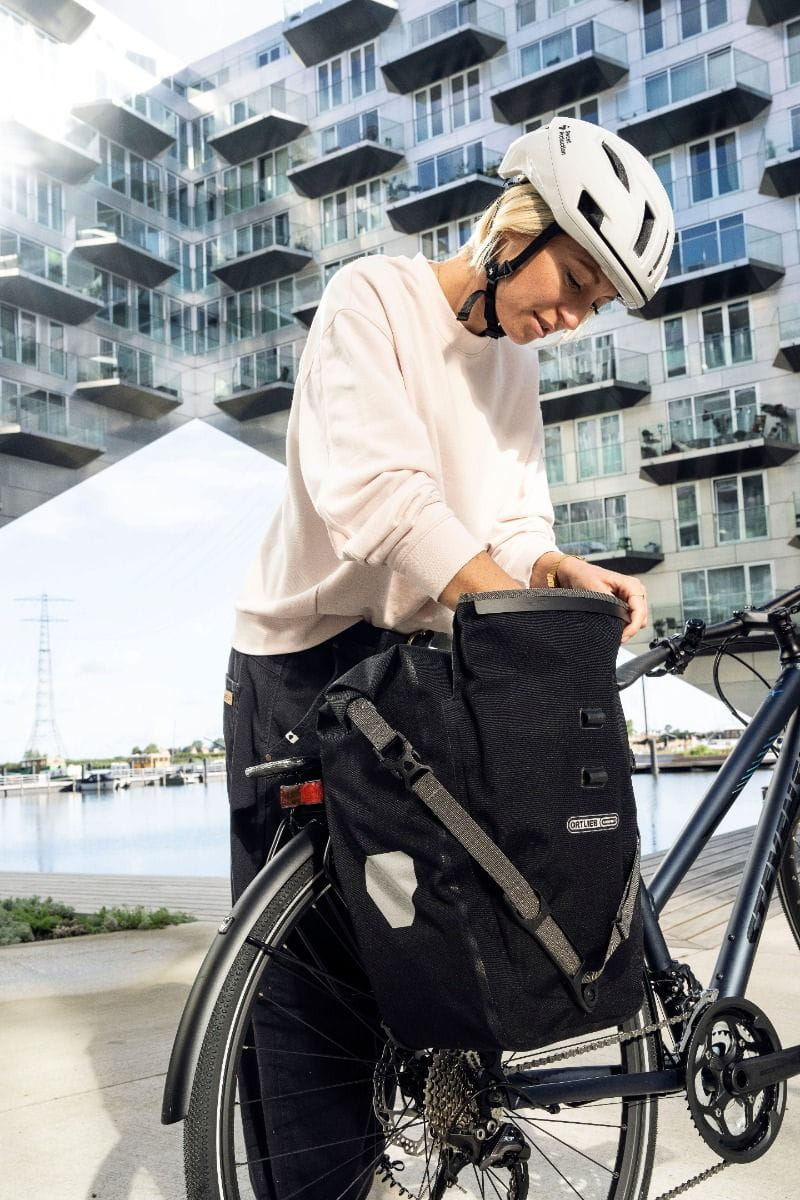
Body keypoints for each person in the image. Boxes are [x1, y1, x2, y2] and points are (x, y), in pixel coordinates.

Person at [222, 117, 675, 1199]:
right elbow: (381, 500)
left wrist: (552, 569)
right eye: (572, 281)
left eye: (595, 304)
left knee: (430, 932)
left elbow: (508, 522)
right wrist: (505, 607)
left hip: (419, 653)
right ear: (516, 227)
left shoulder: (510, 368)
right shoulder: (372, 300)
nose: (570, 317)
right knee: (305, 986)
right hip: (303, 659)